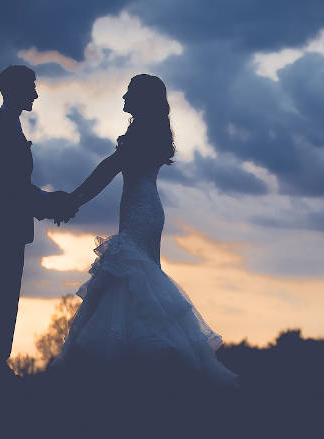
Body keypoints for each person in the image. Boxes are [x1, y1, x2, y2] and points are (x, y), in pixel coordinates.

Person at [55, 74, 237, 387]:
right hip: (148, 209)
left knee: (129, 274)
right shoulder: (147, 132)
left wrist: (72, 201)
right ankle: (143, 367)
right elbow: (108, 170)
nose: (123, 97)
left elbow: (106, 171)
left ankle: (131, 366)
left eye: (129, 92)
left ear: (141, 99)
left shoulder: (139, 135)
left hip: (140, 211)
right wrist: (73, 201)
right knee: (138, 278)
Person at [0, 65, 77, 375]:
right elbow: (10, 186)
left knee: (3, 293)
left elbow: (14, 185)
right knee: (0, 294)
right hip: (0, 225)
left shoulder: (7, 126)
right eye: (31, 87)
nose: (35, 93)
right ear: (14, 90)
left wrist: (48, 201)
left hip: (5, 225)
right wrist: (50, 202)